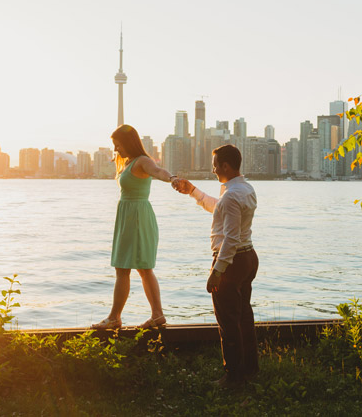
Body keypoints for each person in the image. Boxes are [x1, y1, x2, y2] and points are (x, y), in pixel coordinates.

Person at [172, 144, 259, 387]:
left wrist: (216, 272)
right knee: (243, 317)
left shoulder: (231, 194)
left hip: (232, 261)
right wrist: (193, 191)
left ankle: (233, 376)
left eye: (215, 165)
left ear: (226, 166)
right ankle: (250, 369)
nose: (212, 169)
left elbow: (230, 239)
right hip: (248, 257)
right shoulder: (244, 188)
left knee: (228, 322)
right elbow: (219, 209)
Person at [93, 124, 178, 330]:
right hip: (128, 216)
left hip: (137, 217)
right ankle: (155, 315)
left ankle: (115, 317)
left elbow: (158, 171)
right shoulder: (128, 162)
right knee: (136, 268)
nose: (116, 150)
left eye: (118, 145)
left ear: (128, 143)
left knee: (132, 268)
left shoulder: (143, 161)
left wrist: (172, 178)